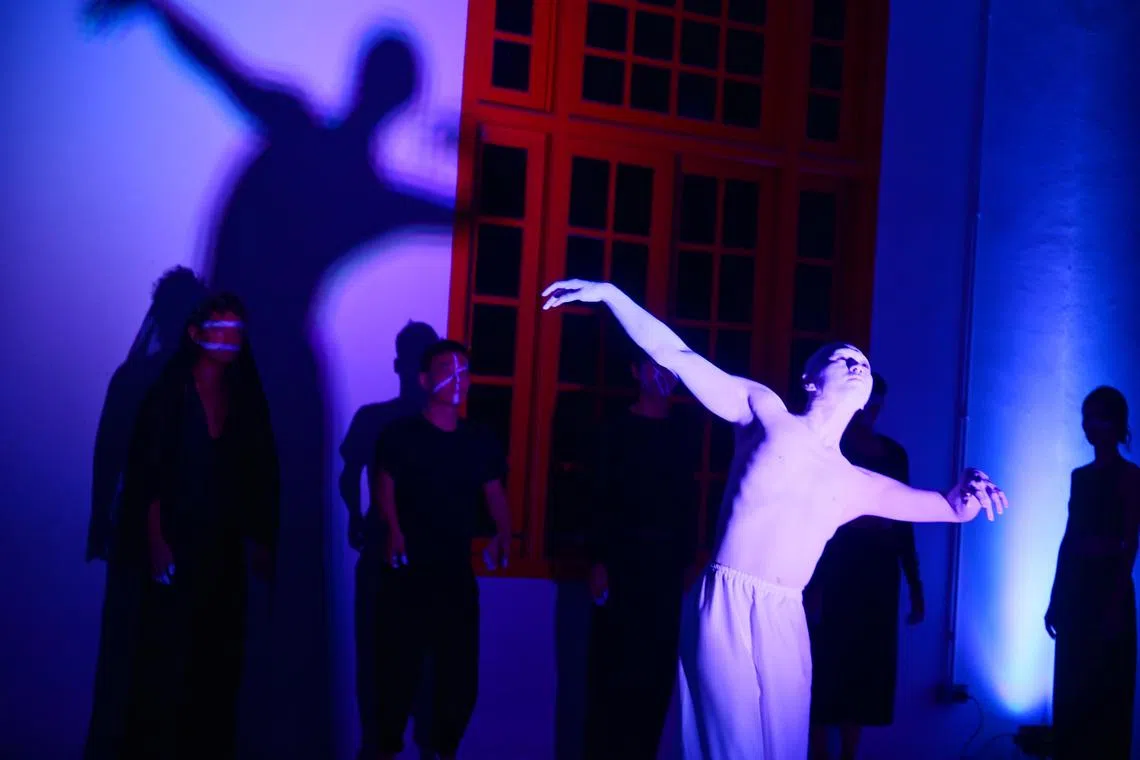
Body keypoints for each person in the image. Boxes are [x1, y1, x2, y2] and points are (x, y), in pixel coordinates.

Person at [540, 279, 1007, 760]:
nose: (855, 364)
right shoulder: (766, 413)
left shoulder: (857, 482)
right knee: (732, 748)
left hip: (785, 616)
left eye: (863, 364)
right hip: (726, 601)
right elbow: (678, 354)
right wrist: (613, 296)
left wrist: (969, 486)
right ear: (810, 379)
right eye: (842, 357)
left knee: (780, 751)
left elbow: (949, 508)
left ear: (868, 398)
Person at [86, 292, 279, 760]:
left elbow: (260, 468)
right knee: (162, 659)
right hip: (173, 545)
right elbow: (145, 472)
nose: (230, 342)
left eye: (238, 332)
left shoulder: (244, 396)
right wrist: (155, 542)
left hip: (223, 548)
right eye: (220, 330)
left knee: (217, 658)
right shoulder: (166, 390)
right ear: (194, 332)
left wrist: (262, 538)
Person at [371, 339, 512, 760]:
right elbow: (383, 484)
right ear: (422, 379)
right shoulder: (400, 433)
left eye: (464, 371)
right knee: (397, 671)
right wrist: (392, 529)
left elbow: (494, 491)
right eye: (447, 369)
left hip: (454, 573)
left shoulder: (479, 439)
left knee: (458, 676)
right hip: (406, 572)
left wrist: (504, 532)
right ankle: (383, 749)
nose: (457, 379)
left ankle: (442, 750)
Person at [583, 349, 699, 759]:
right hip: (621, 560)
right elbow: (598, 496)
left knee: (657, 671)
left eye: (667, 365)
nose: (661, 374)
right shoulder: (615, 430)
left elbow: (690, 499)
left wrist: (688, 560)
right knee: (613, 668)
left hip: (666, 566)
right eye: (652, 365)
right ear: (635, 371)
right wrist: (599, 560)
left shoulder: (683, 431)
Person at [806, 372, 924, 760]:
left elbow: (903, 519)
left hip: (877, 573)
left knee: (864, 667)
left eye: (877, 406)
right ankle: (819, 750)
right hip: (837, 569)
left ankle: (849, 754)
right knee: (827, 662)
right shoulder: (832, 449)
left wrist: (914, 583)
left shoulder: (892, 454)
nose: (870, 413)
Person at [339, 321, 440, 760]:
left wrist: (357, 516)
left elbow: (349, 474)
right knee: (397, 662)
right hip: (394, 555)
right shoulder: (391, 421)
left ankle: (387, 745)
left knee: (394, 663)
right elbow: (350, 473)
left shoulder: (389, 420)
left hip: (407, 556)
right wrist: (358, 517)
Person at [1046, 386, 1140, 760]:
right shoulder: (1080, 477)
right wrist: (1055, 598)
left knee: (1107, 695)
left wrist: (1115, 604)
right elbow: (1069, 539)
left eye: (1098, 416)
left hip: (1108, 590)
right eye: (1087, 416)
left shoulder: (1131, 477)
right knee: (1074, 693)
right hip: (1078, 593)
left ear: (1116, 423)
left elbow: (1130, 542)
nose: (1090, 425)